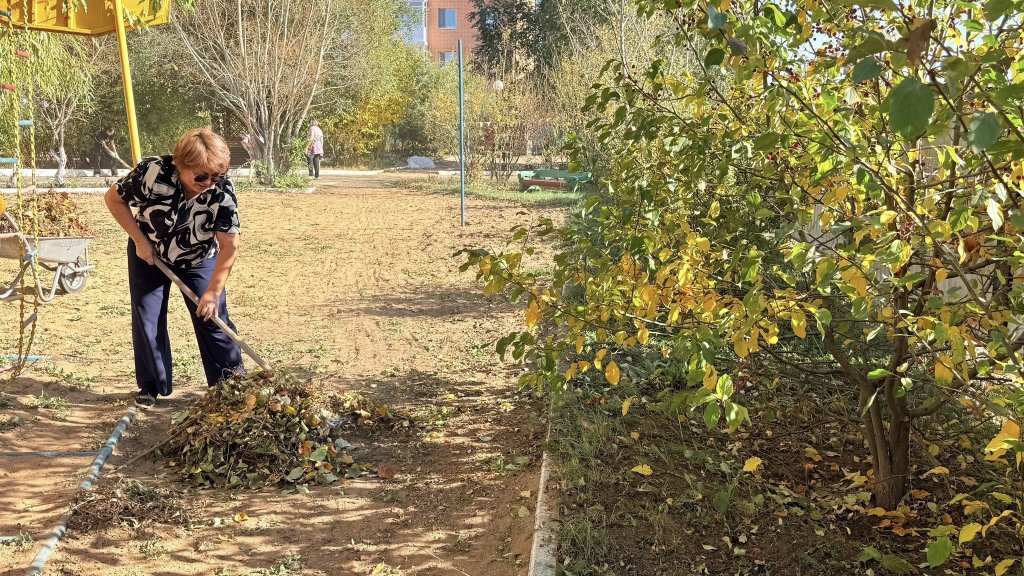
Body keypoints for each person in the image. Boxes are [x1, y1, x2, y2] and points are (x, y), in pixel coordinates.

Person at [104, 127, 244, 409]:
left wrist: (212, 293)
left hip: (198, 257)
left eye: (217, 176)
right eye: (201, 176)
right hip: (148, 252)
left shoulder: (222, 192)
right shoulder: (153, 172)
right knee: (148, 317)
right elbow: (114, 199)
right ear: (180, 165)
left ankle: (229, 386)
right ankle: (151, 385)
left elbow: (229, 246)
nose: (209, 182)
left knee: (213, 318)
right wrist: (139, 240)